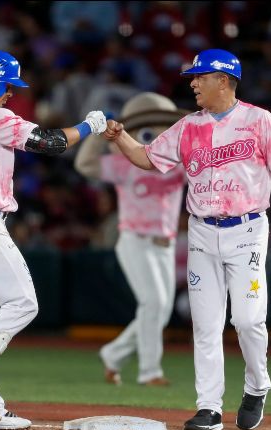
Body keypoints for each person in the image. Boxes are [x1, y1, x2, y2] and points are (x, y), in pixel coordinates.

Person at [104, 49, 271, 430]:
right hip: (202, 231)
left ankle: (257, 386)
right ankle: (209, 407)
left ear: (223, 80)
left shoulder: (259, 120)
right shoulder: (188, 125)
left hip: (246, 228)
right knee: (206, 325)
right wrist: (122, 136)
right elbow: (147, 158)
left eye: (200, 76)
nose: (192, 82)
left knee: (246, 319)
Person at [0, 50, 106, 430]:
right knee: (24, 303)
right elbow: (51, 143)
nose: (12, 93)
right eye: (8, 85)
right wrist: (89, 125)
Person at [74, 92, 187, 387]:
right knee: (154, 302)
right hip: (135, 238)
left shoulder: (179, 163)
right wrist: (103, 134)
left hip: (165, 243)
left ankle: (113, 354)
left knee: (159, 311)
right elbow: (85, 165)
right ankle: (150, 371)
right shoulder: (126, 164)